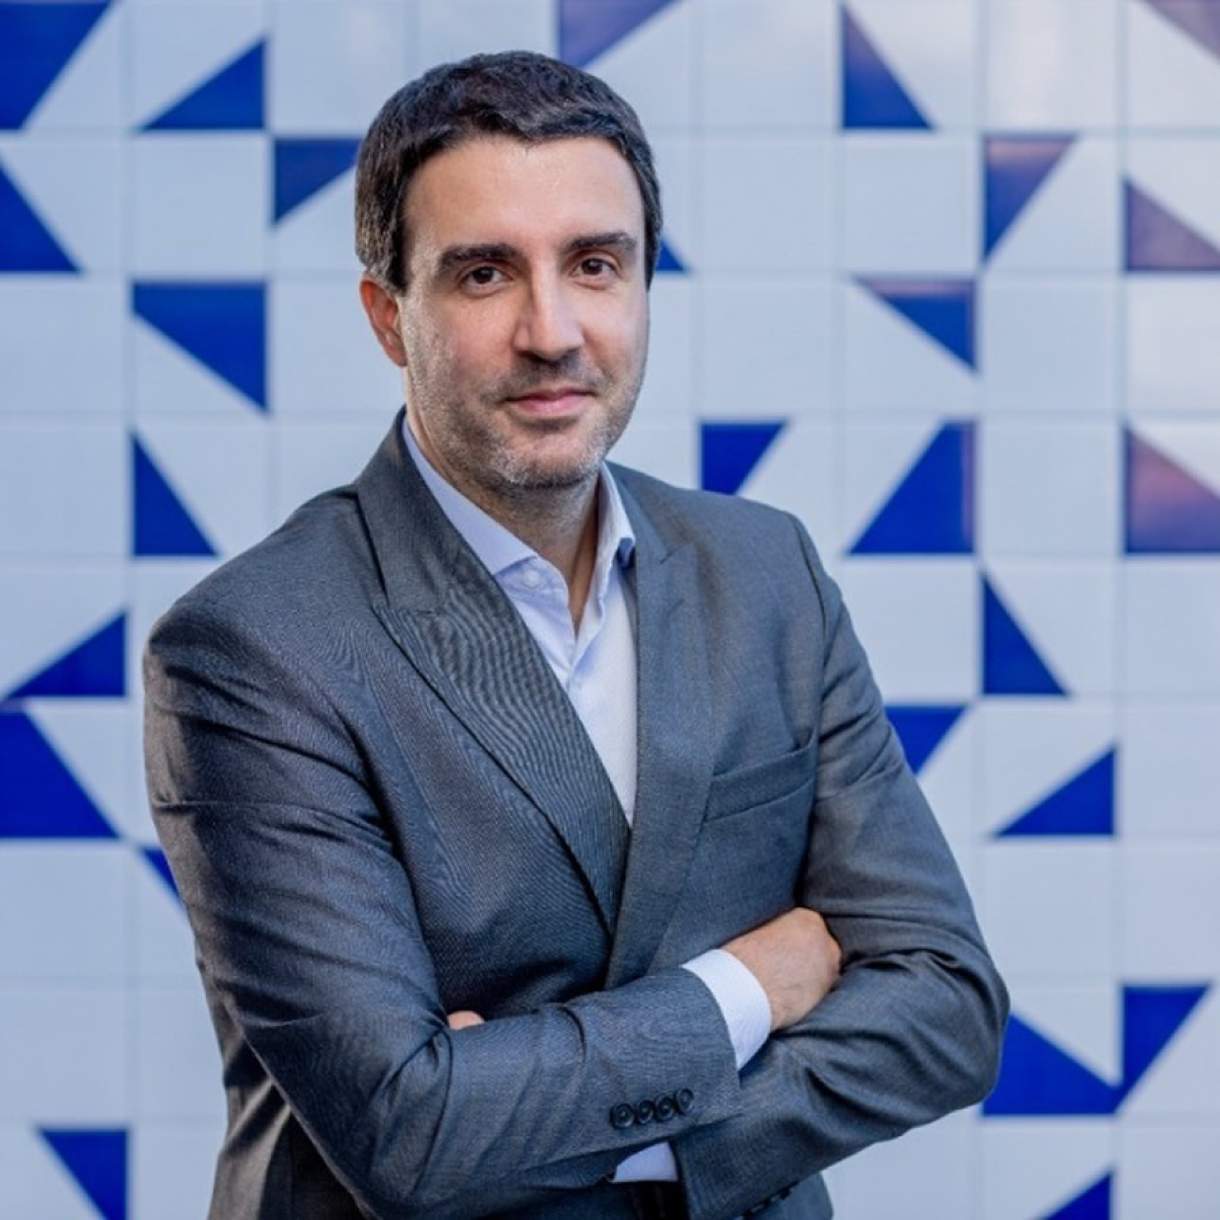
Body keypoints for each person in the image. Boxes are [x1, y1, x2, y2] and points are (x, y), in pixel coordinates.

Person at [143, 51, 1008, 1220]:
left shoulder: (765, 574)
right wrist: (749, 985)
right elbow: (408, 1133)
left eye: (594, 264)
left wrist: (558, 1118)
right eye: (483, 273)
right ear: (388, 316)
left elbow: (945, 1008)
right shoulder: (251, 648)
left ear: (643, 283)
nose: (550, 331)